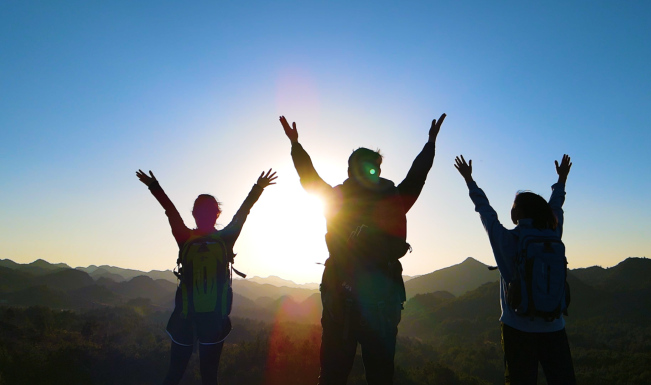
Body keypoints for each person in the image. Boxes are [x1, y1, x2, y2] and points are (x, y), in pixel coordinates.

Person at [279, 114, 446, 385]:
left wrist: (295, 144)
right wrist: (430, 143)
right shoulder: (393, 201)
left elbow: (309, 178)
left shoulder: (337, 199)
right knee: (380, 376)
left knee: (333, 375)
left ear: (349, 171)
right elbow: (417, 177)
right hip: (381, 305)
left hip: (339, 303)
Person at [136, 168, 277, 385]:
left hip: (184, 317)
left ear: (194, 213)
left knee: (174, 374)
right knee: (209, 377)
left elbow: (170, 211)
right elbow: (243, 212)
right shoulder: (225, 237)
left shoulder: (185, 237)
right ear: (217, 214)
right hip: (214, 318)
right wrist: (258, 188)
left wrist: (154, 186)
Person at [453, 154, 576, 385]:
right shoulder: (553, 235)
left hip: (518, 328)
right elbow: (556, 206)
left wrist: (469, 181)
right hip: (554, 325)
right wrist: (561, 180)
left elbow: (486, 212)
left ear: (518, 214)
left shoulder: (507, 241)